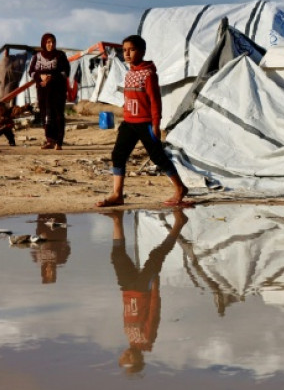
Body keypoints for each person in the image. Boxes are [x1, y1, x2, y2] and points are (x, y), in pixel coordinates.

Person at [96, 35, 189, 207]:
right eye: (124, 50)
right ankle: (117, 194)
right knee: (118, 155)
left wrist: (156, 124)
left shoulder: (149, 74)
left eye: (131, 50)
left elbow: (155, 101)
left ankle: (180, 188)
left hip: (145, 122)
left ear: (142, 51)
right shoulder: (129, 73)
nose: (127, 53)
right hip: (129, 122)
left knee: (157, 156)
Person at [104, 209, 187, 374]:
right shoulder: (147, 339)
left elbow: (127, 313)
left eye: (122, 358)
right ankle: (179, 224)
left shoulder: (130, 339)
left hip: (127, 290)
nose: (123, 355)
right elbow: (154, 313)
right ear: (135, 360)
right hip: (143, 290)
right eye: (126, 359)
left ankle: (116, 219)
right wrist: (155, 289)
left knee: (117, 257)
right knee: (157, 255)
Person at [28, 32, 70, 150]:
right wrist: (40, 77)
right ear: (44, 43)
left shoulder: (60, 55)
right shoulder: (37, 56)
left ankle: (59, 142)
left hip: (57, 91)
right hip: (43, 91)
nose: (50, 44)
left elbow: (66, 72)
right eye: (48, 42)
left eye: (53, 42)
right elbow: (31, 72)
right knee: (45, 116)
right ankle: (49, 140)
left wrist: (51, 77)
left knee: (58, 115)